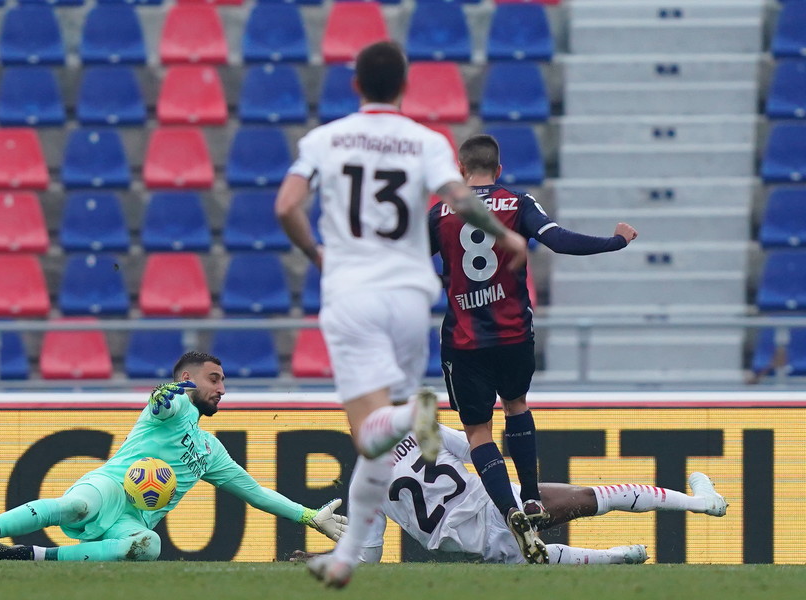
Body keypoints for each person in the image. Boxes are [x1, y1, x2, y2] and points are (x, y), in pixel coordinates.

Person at [275, 41, 529, 588]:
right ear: (404, 87)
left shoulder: (325, 139)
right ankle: (347, 556)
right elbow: (461, 200)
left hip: (354, 294)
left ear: (356, 85)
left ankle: (414, 420)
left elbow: (285, 206)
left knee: (371, 431)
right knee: (380, 441)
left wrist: (318, 255)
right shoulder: (425, 141)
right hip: (411, 297)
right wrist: (506, 232)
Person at [428, 134, 639, 563]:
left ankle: (508, 512)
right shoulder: (518, 203)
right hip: (513, 336)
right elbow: (559, 240)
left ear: (461, 169)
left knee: (478, 431)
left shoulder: (440, 213)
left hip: (464, 341)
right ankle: (530, 499)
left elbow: (407, 260)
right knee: (517, 405)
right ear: (498, 169)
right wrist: (614, 240)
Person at [0, 351, 348, 562]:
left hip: (134, 519)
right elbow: (160, 402)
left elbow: (255, 492)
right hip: (110, 488)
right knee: (75, 505)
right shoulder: (176, 407)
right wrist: (161, 393)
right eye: (215, 379)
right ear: (187, 380)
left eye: (224, 381)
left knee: (147, 547)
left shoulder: (210, 451)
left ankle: (26, 556)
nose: (223, 388)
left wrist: (309, 516)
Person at [290, 425, 727, 566]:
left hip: (475, 540)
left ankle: (618, 557)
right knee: (598, 497)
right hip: (499, 503)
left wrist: (326, 554)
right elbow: (481, 451)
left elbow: (368, 558)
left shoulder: (362, 486)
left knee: (542, 561)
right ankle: (699, 503)